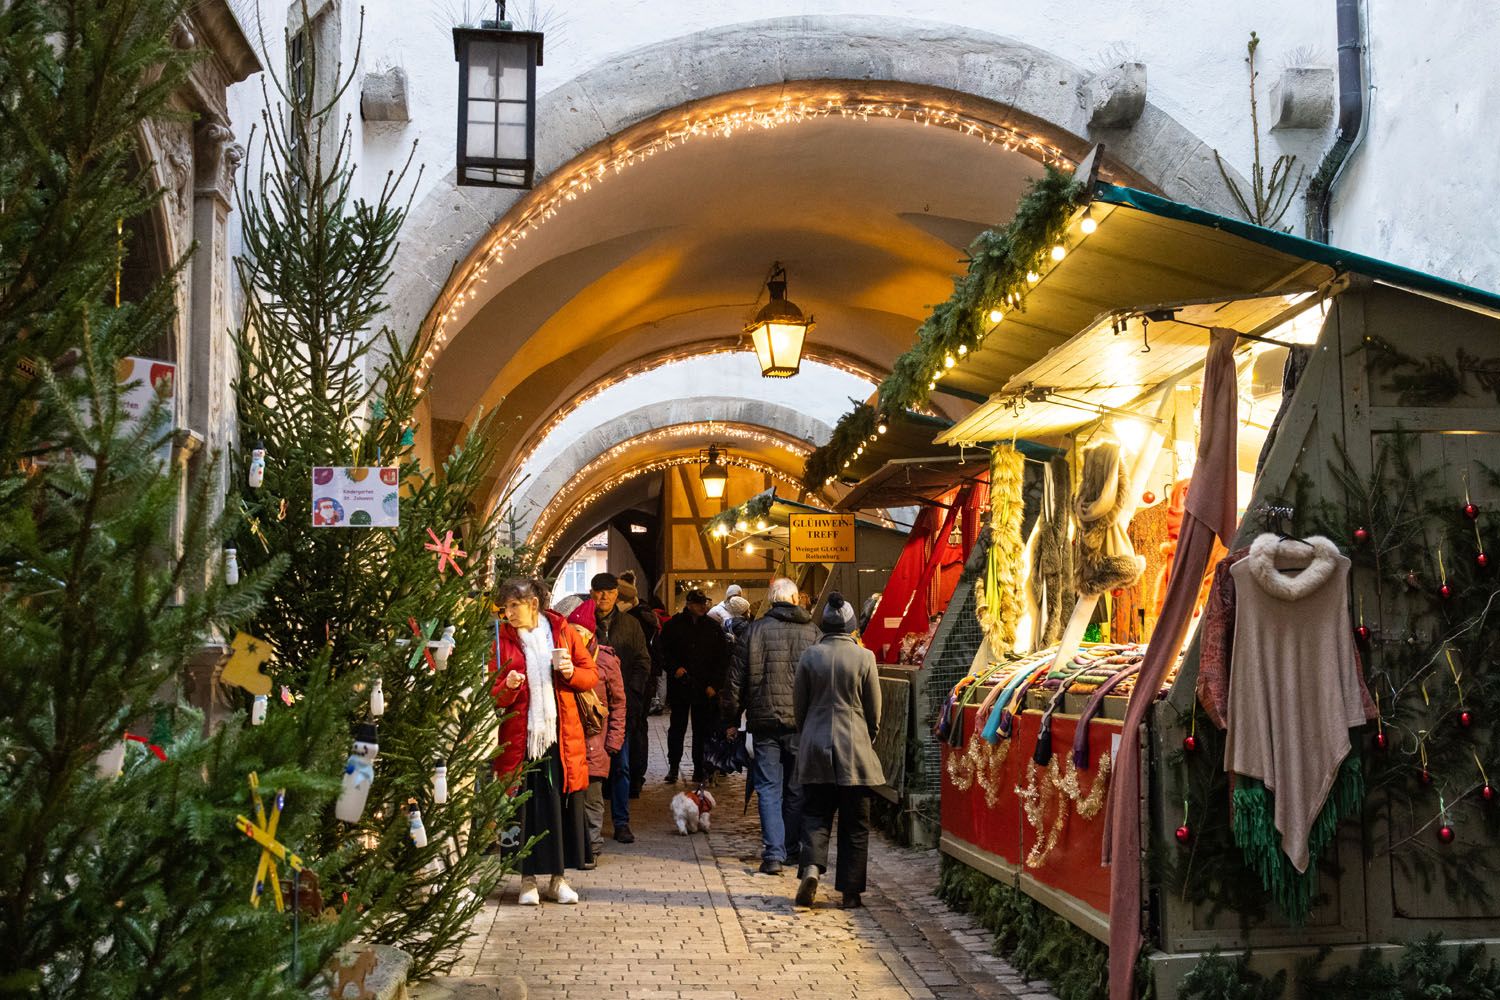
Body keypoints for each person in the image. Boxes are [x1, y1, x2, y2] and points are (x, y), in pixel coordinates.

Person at [490, 577, 599, 905]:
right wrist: (508, 685)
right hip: (521, 742)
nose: (507, 613)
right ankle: (526, 881)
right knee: (524, 810)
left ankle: (558, 879)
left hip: (559, 739)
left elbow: (590, 674)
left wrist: (568, 671)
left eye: (513, 606)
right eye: (504, 607)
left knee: (558, 809)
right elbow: (497, 696)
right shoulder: (502, 640)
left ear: (533, 604)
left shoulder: (563, 631)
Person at [793, 592, 883, 910]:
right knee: (855, 823)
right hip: (855, 749)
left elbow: (799, 708)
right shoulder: (865, 657)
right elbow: (874, 710)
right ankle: (850, 892)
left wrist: (807, 737)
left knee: (815, 814)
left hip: (816, 748)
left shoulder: (809, 657)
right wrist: (867, 737)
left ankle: (812, 868)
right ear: (850, 625)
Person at [722, 577, 817, 876]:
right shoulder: (813, 633)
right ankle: (790, 848)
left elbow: (735, 681)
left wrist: (731, 720)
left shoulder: (754, 631)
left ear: (773, 599)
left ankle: (773, 854)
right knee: (796, 788)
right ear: (795, 599)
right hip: (801, 724)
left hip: (763, 722)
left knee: (768, 788)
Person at [588, 572, 652, 844]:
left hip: (619, 707)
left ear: (617, 594)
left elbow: (642, 661)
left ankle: (621, 822)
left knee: (621, 766)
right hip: (588, 706)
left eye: (609, 592)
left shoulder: (630, 625)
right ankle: (589, 825)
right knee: (590, 769)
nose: (604, 597)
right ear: (592, 594)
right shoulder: (583, 623)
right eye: (599, 592)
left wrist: (633, 691)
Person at [565, 612, 627, 867]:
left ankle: (592, 847)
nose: (574, 636)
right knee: (571, 798)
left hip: (595, 741)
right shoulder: (562, 656)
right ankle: (573, 847)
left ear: (590, 633)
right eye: (571, 630)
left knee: (592, 797)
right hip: (569, 739)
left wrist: (614, 740)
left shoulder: (605, 660)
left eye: (578, 631)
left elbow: (619, 703)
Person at [659, 589, 729, 784]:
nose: (703, 607)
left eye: (704, 603)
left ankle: (700, 768)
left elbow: (722, 659)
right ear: (689, 605)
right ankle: (674, 766)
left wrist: (715, 684)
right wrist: (674, 668)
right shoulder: (673, 626)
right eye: (699, 604)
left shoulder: (713, 628)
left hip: (704, 688)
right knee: (677, 728)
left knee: (702, 730)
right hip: (681, 685)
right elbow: (662, 652)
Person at [616, 571, 662, 797]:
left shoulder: (633, 620)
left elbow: (641, 658)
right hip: (638, 684)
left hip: (633, 686)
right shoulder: (646, 615)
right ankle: (634, 778)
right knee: (636, 729)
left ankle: (632, 778)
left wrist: (634, 687)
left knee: (631, 731)